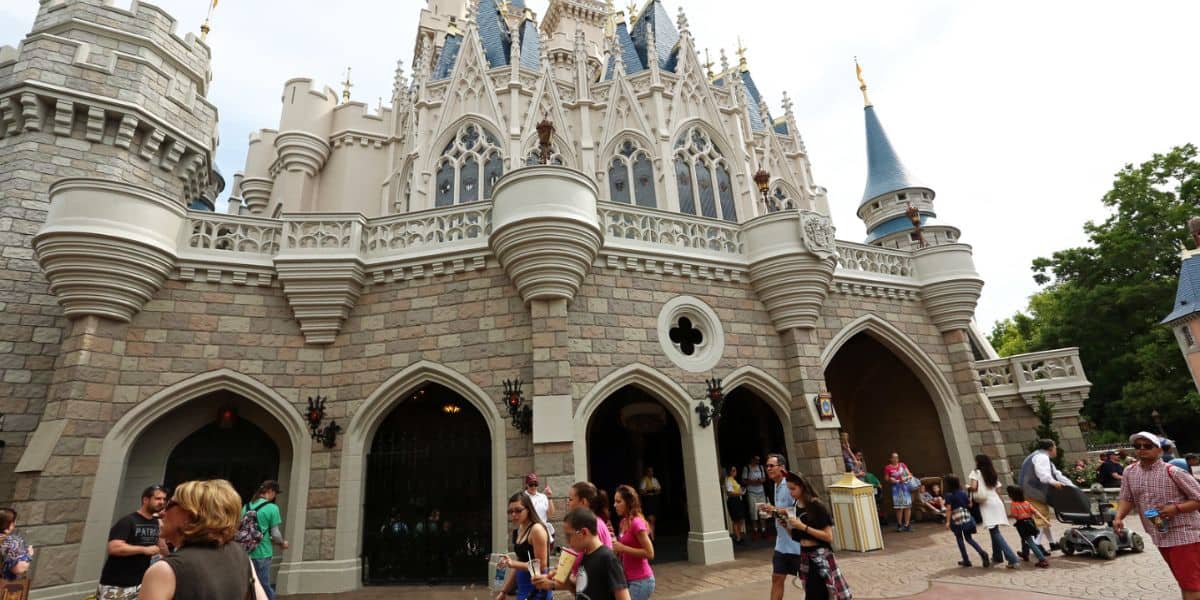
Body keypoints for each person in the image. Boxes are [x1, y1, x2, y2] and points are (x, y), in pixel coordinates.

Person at [140, 479, 269, 600]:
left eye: (170, 504)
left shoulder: (164, 571)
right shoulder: (240, 554)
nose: (162, 512)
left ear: (191, 514)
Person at [1114, 431, 1200, 599]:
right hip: (1159, 533)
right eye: (1137, 446)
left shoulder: (1173, 472)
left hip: (1184, 535)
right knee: (1186, 581)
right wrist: (1118, 517)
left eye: (1147, 446)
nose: (1141, 449)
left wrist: (1176, 509)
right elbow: (1127, 498)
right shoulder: (1129, 472)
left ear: (1159, 450)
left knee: (1191, 585)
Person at [533, 507, 630, 600]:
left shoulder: (608, 558)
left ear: (584, 532)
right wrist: (564, 580)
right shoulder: (585, 555)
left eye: (569, 536)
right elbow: (581, 593)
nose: (567, 541)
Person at [783, 472, 852, 600]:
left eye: (793, 488)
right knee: (815, 593)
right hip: (804, 556)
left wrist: (803, 526)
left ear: (802, 487)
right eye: (789, 489)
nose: (790, 492)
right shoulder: (795, 506)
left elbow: (828, 536)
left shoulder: (816, 505)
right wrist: (785, 525)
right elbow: (796, 536)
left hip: (819, 555)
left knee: (817, 593)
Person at [98, 484, 169, 599]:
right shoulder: (128, 521)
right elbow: (114, 548)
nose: (162, 502)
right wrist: (145, 550)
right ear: (145, 500)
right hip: (117, 585)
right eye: (157, 498)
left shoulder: (157, 523)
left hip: (141, 584)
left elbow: (162, 549)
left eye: (164, 499)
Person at [1018, 439, 1075, 552]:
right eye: (1055, 447)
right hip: (1034, 492)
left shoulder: (1038, 456)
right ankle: (1035, 545)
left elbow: (1057, 474)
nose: (1056, 449)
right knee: (1042, 518)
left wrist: (1072, 486)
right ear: (1050, 448)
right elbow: (1043, 475)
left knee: (1044, 516)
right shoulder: (1042, 457)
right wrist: (1054, 483)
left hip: (1028, 491)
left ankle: (1052, 543)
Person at [968, 454, 1020, 568]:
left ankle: (1012, 558)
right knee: (994, 529)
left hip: (987, 503)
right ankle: (997, 556)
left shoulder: (975, 473)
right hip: (996, 502)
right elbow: (998, 490)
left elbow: (973, 487)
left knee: (994, 531)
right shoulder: (992, 473)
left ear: (978, 462)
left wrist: (968, 487)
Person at [496, 493, 549, 600]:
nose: (514, 514)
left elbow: (542, 565)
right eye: (510, 512)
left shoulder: (536, 529)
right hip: (523, 590)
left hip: (537, 590)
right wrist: (504, 591)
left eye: (518, 510)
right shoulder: (518, 531)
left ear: (528, 509)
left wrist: (513, 563)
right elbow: (519, 563)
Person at [762, 453, 801, 600]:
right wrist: (771, 511)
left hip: (796, 543)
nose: (768, 469)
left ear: (782, 467)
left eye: (772, 465)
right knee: (777, 578)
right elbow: (781, 513)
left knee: (806, 581)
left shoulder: (789, 485)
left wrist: (776, 510)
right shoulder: (775, 485)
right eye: (767, 466)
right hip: (781, 544)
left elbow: (797, 511)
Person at [242, 480, 289, 600]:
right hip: (262, 553)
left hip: (245, 552)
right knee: (263, 585)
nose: (275, 496)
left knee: (248, 585)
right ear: (271, 491)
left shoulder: (246, 506)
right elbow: (275, 533)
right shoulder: (272, 508)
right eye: (275, 493)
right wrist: (282, 543)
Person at [612, 485, 655, 600]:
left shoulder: (637, 523)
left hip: (641, 580)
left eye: (618, 501)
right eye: (614, 501)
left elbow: (650, 553)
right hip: (628, 579)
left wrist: (622, 548)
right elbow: (622, 548)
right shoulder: (623, 522)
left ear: (628, 502)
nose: (614, 505)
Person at [942, 474, 989, 567]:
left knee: (959, 539)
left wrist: (947, 521)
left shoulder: (949, 495)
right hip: (966, 517)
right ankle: (982, 553)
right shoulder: (962, 492)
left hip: (956, 519)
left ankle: (966, 560)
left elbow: (948, 509)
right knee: (969, 538)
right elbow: (970, 505)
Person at [1006, 486, 1050, 568]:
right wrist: (1046, 521)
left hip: (1022, 524)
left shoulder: (1014, 504)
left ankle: (1042, 559)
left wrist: (1008, 516)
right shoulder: (1026, 503)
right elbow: (1036, 512)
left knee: (1030, 541)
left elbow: (1015, 515)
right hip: (1030, 523)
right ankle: (1025, 554)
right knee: (1025, 539)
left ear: (1012, 495)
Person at [569, 482, 613, 548]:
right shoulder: (594, 522)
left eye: (570, 499)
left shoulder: (592, 526)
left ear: (583, 502)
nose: (568, 503)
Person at [883, 452, 915, 532]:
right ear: (890, 459)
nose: (896, 459)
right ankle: (899, 524)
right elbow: (886, 478)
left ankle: (907, 525)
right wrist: (891, 479)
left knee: (908, 506)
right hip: (896, 489)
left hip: (905, 487)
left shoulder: (902, 465)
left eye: (897, 457)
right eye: (894, 457)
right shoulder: (888, 467)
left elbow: (910, 474)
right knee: (899, 507)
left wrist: (906, 478)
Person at [0, 509, 32, 580]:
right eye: (14, 522)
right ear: (9, 524)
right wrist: (29, 554)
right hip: (4, 587)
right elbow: (19, 569)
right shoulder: (13, 542)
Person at [742, 456, 768, 540]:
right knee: (753, 511)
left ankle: (764, 530)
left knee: (763, 511)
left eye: (758, 459)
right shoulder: (747, 468)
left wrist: (761, 480)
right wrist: (753, 481)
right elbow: (744, 480)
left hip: (761, 492)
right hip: (751, 492)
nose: (757, 461)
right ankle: (755, 530)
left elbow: (764, 479)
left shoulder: (761, 467)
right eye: (756, 459)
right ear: (752, 459)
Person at [524, 474, 555, 541]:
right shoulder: (523, 497)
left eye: (535, 484)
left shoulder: (542, 497)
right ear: (526, 485)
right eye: (531, 484)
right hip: (528, 531)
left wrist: (549, 497)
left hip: (543, 531)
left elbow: (551, 514)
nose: (533, 487)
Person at [724, 466, 747, 544]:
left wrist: (741, 490)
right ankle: (737, 537)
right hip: (733, 501)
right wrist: (740, 493)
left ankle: (739, 535)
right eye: (733, 470)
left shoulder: (734, 480)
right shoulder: (728, 480)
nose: (735, 472)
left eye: (735, 470)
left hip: (738, 500)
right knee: (736, 519)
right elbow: (729, 493)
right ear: (730, 472)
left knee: (740, 519)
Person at [638, 467, 661, 537]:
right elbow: (642, 491)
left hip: (654, 500)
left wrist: (654, 490)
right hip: (648, 500)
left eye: (652, 471)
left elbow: (659, 490)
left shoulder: (655, 480)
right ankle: (650, 536)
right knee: (649, 519)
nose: (651, 473)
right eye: (649, 471)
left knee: (653, 519)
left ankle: (652, 536)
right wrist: (648, 491)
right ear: (647, 472)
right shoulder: (644, 480)